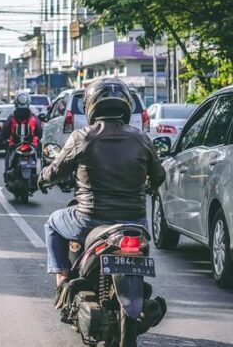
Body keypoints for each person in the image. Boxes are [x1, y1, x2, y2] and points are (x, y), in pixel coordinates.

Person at [37, 78, 166, 288]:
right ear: (126, 105)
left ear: (91, 105)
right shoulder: (141, 138)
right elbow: (159, 175)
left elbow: (56, 172)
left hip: (90, 220)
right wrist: (149, 185)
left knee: (52, 222)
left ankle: (62, 276)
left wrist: (42, 179)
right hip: (136, 223)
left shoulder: (83, 137)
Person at [0, 92, 43, 175]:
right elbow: (39, 131)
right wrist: (40, 140)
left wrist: (1, 140)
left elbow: (5, 131)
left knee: (8, 156)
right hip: (31, 145)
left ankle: (7, 172)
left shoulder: (12, 117)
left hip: (15, 145)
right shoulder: (33, 118)